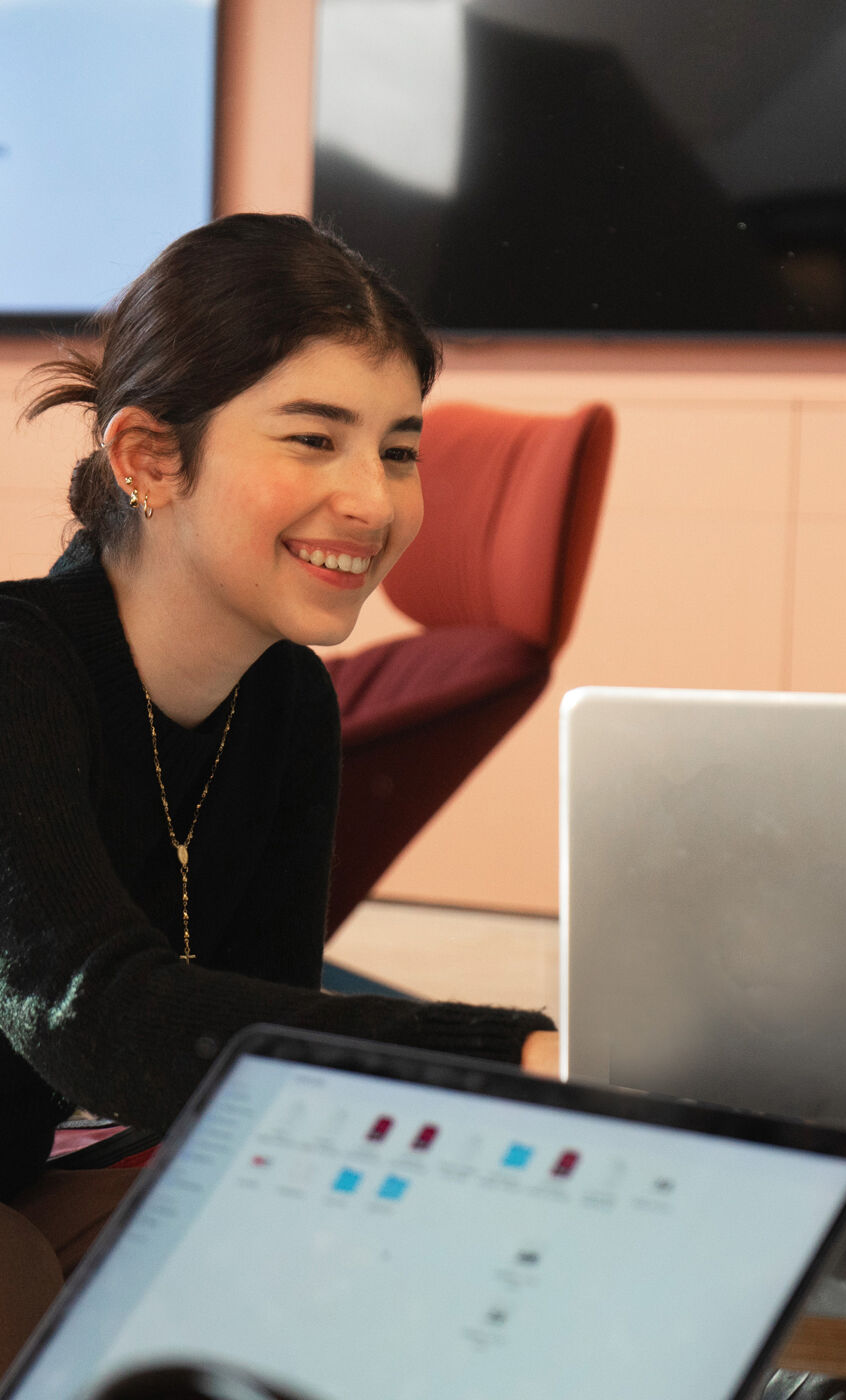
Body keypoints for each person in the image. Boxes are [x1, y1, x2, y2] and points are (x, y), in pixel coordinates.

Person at [0, 214, 557, 1368]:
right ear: (149, 458)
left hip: (57, 1177)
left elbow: (268, 1070)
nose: (373, 500)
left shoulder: (286, 699)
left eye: (399, 448)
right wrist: (513, 1054)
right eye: (313, 439)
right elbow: (98, 1015)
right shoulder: (16, 670)